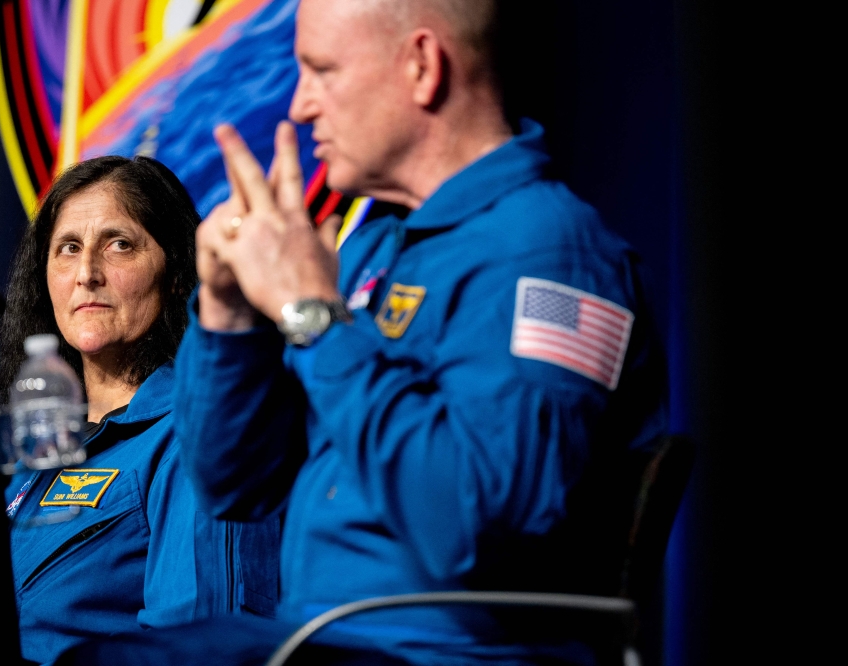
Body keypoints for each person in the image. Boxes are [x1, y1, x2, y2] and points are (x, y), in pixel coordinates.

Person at [59, 0, 667, 663]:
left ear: (422, 67)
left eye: (322, 71)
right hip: (323, 639)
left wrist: (311, 314)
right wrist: (229, 315)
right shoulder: (373, 248)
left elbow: (473, 528)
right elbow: (234, 483)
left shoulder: (549, 255)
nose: (300, 105)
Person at [0, 155, 280, 664]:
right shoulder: (33, 450)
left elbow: (202, 647)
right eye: (68, 249)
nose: (87, 274)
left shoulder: (197, 436)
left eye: (120, 245)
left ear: (178, 274)